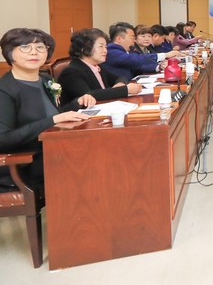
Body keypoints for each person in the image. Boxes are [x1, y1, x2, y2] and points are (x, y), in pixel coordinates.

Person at [0, 28, 94, 192]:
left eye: (40, 47)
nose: (34, 52)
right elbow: (4, 139)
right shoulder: (5, 90)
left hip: (54, 150)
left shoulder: (46, 80)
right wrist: (53, 121)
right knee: (88, 163)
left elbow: (53, 114)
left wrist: (77, 103)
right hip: (25, 162)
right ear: (9, 53)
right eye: (25, 47)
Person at [58, 28, 143, 103]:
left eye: (105, 47)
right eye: (101, 46)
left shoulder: (97, 66)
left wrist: (120, 83)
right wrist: (125, 90)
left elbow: (119, 77)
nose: (105, 51)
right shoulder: (71, 72)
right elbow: (89, 95)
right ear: (84, 48)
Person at [103, 23, 175, 80]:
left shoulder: (124, 50)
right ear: (119, 39)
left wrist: (158, 67)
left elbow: (136, 67)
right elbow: (135, 59)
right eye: (132, 38)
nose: (134, 41)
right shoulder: (111, 50)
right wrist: (164, 55)